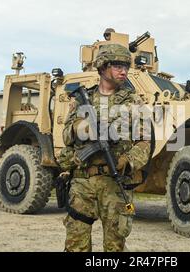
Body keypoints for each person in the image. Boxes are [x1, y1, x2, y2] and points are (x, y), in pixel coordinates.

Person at [62, 43, 151, 252]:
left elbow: (146, 142)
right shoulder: (82, 99)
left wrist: (128, 161)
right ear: (102, 67)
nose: (124, 71)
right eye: (117, 66)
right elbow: (66, 136)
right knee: (75, 244)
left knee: (115, 246)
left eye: (126, 67)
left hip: (115, 182)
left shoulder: (132, 102)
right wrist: (83, 127)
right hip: (83, 182)